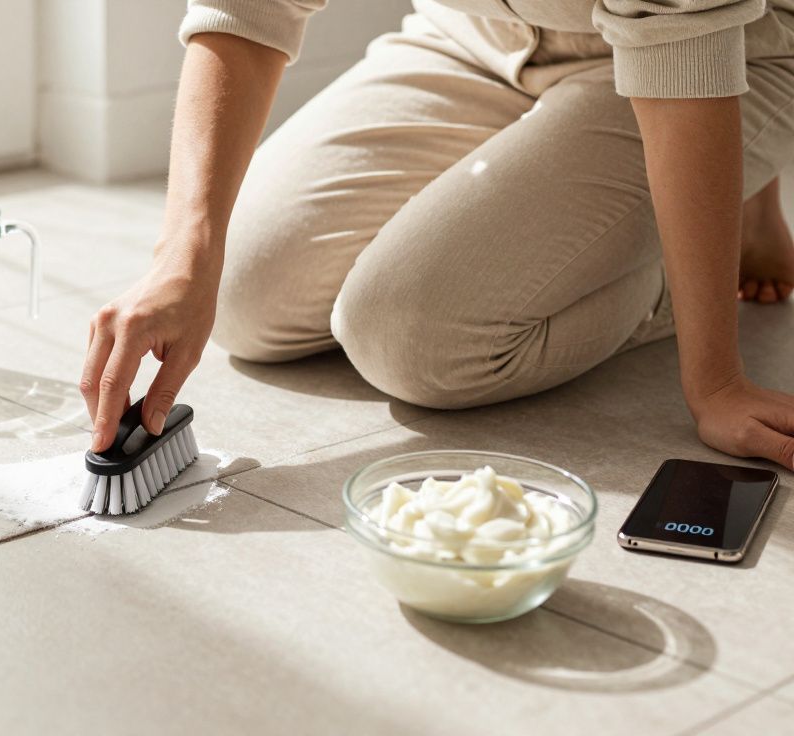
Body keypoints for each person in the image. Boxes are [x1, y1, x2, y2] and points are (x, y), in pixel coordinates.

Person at [79, 0, 794, 470]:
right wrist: (183, 256)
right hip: (473, 39)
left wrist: (716, 381)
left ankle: (718, 219)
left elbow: (680, 44)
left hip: (721, 55)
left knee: (411, 338)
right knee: (243, 294)